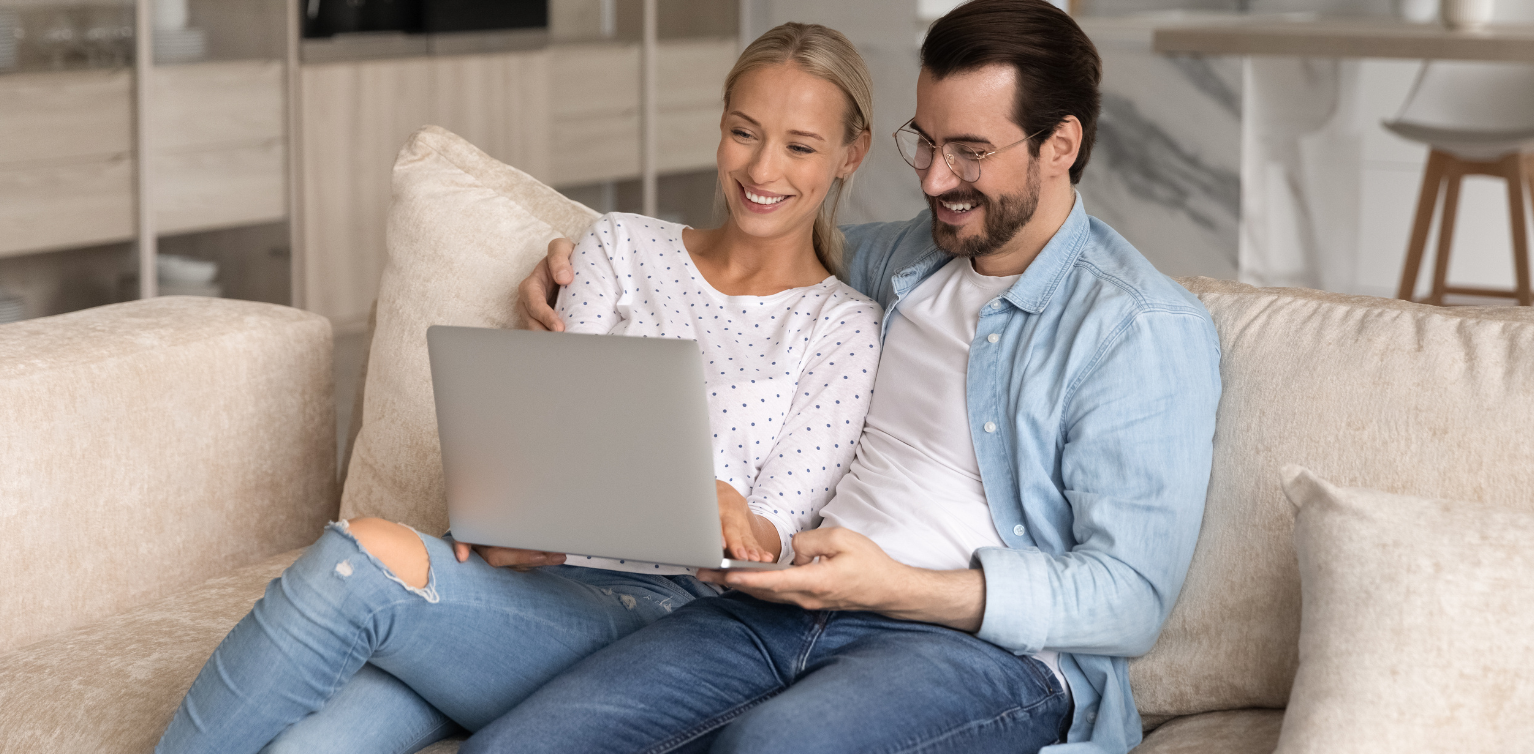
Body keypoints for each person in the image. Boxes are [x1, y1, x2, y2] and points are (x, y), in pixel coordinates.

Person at [488, 1, 1222, 753]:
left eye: (969, 151)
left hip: (974, 654)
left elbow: (1130, 600)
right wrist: (566, 260)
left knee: (772, 749)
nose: (936, 180)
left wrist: (892, 587)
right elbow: (746, 242)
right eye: (926, 142)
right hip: (780, 609)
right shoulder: (897, 260)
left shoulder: (1136, 329)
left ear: (1060, 143)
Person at [155, 22, 883, 754]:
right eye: (744, 132)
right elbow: (552, 435)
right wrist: (513, 518)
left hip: (668, 622)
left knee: (362, 560)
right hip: (525, 582)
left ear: (851, 153)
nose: (762, 170)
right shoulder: (621, 246)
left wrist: (718, 509)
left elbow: (773, 544)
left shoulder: (842, 328)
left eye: (800, 146)